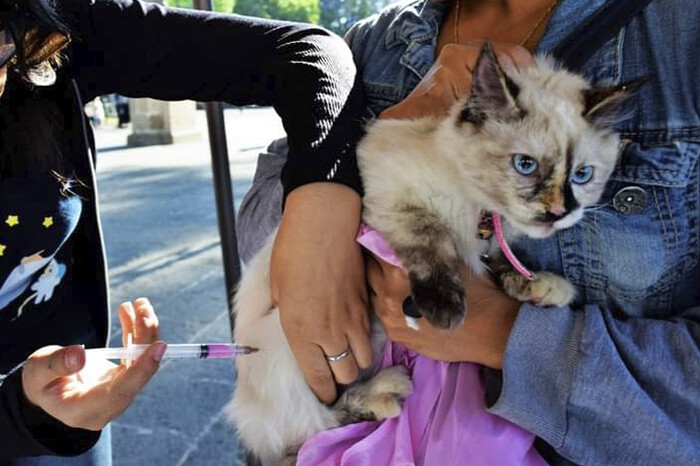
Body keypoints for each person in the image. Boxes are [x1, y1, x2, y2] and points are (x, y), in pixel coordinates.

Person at [238, 0, 700, 464]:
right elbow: (255, 228)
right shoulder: (369, 44)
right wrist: (375, 147)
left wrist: (503, 333)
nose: (557, 207)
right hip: (334, 429)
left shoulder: (679, 33)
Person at [0, 0, 367, 463]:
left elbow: (309, 54)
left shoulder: (52, 33)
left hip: (63, 397)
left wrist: (321, 209)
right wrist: (18, 415)